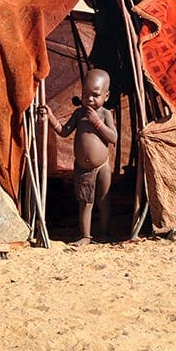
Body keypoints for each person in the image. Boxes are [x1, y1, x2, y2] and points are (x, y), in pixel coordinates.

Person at [39, 68, 117, 245]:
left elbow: (113, 138)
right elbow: (64, 132)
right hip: (83, 169)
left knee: (103, 201)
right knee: (85, 203)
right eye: (85, 94)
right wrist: (51, 118)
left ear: (106, 96)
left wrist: (97, 123)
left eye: (95, 95)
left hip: (103, 166)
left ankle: (104, 233)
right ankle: (85, 236)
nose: (89, 99)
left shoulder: (105, 114)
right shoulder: (79, 114)